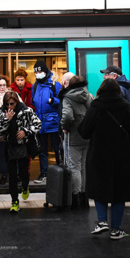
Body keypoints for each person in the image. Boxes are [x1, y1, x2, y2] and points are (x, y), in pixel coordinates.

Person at [78, 79, 130, 240]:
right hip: (123, 156)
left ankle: (102, 221)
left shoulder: (95, 106)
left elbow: (84, 132)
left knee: (99, 188)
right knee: (120, 193)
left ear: (101, 90)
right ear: (118, 91)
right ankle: (116, 230)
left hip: (99, 155)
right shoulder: (125, 106)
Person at [0, 92, 41, 213]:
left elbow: (38, 124)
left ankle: (25, 186)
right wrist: (7, 119)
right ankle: (14, 201)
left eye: (12, 103)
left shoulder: (27, 111)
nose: (10, 106)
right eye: (7, 104)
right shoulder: (3, 113)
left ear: (17, 102)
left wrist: (25, 131)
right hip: (9, 147)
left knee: (23, 173)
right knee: (12, 176)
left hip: (23, 146)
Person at [60, 75, 91, 209]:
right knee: (84, 166)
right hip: (87, 136)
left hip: (74, 136)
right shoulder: (88, 96)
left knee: (74, 167)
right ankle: (85, 196)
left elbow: (67, 116)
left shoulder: (68, 97)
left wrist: (65, 127)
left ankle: (75, 196)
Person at [31, 61, 62, 183]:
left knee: (56, 148)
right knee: (42, 150)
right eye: (36, 72)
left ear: (46, 71)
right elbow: (33, 101)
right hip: (40, 122)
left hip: (53, 122)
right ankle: (43, 173)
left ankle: (60, 172)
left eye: (40, 71)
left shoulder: (55, 84)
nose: (38, 74)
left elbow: (61, 101)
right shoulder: (35, 86)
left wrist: (52, 100)